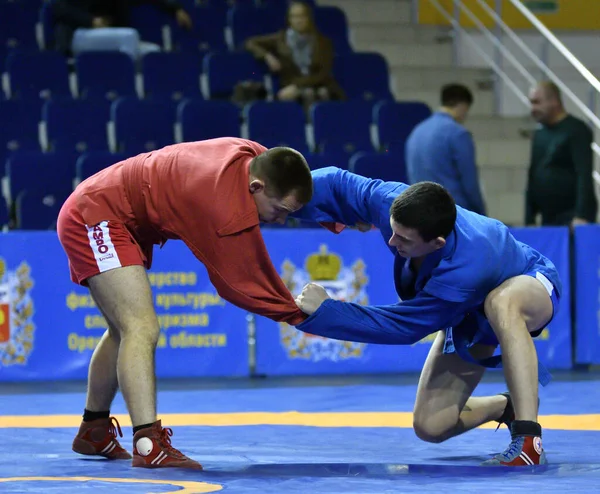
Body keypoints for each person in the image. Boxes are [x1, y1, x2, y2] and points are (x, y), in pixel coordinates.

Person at [56, 138, 312, 470]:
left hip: (107, 207)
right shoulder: (218, 200)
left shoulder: (251, 154)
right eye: (279, 211)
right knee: (141, 328)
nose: (279, 221)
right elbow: (241, 285)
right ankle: (148, 444)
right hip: (94, 215)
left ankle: (94, 430)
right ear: (255, 187)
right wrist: (298, 314)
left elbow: (301, 180)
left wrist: (338, 216)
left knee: (123, 331)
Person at [291, 167, 560, 466]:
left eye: (404, 239)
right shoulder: (392, 202)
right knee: (431, 425)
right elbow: (334, 183)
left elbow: (403, 327)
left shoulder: (466, 269)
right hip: (471, 313)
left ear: (437, 244)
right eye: (391, 230)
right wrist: (272, 200)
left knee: (501, 302)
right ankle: (504, 406)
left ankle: (528, 440)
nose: (392, 242)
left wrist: (329, 311)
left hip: (530, 282)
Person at [406, 84, 486, 216]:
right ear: (463, 106)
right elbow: (470, 182)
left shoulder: (417, 132)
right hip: (453, 214)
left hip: (421, 214)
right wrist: (481, 215)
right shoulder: (458, 134)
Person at [245, 1, 344, 106]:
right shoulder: (280, 39)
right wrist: (267, 56)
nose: (298, 21)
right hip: (290, 88)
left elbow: (322, 74)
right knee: (302, 95)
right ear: (289, 19)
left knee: (317, 93)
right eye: (294, 17)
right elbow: (250, 43)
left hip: (319, 85)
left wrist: (297, 86)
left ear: (309, 18)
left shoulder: (324, 43)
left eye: (302, 16)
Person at [526, 81, 597, 227]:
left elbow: (583, 174)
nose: (533, 108)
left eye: (537, 102)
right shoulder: (539, 134)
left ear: (554, 101)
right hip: (548, 218)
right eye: (531, 103)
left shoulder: (577, 130)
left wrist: (581, 215)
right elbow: (533, 176)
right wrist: (529, 218)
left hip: (572, 217)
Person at [52, 0, 193, 59]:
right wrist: (91, 21)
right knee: (129, 36)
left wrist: (175, 9)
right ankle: (125, 76)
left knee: (153, 52)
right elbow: (59, 9)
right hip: (78, 34)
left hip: (109, 36)